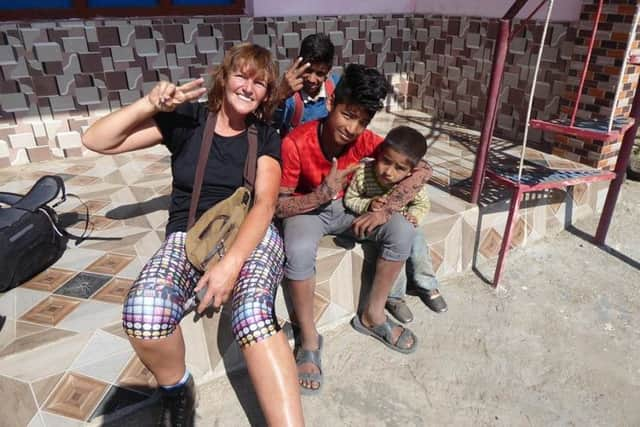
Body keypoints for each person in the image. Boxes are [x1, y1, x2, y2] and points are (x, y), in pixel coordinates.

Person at [82, 43, 304, 427]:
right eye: (241, 76)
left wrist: (230, 266)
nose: (248, 88)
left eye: (260, 83)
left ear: (268, 93)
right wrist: (149, 104)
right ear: (224, 77)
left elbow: (265, 205)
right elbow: (97, 140)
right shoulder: (188, 120)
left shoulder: (266, 135)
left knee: (252, 314)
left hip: (249, 235)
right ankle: (177, 388)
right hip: (191, 236)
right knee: (144, 311)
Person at [277, 64, 432, 394]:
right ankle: (308, 338)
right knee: (299, 250)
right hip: (309, 211)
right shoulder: (296, 143)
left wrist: (386, 210)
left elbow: (422, 169)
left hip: (352, 209)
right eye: (348, 114)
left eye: (362, 121)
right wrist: (320, 194)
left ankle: (372, 316)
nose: (352, 128)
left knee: (403, 230)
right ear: (332, 102)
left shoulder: (365, 141)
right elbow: (279, 205)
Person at [343, 126, 443, 323]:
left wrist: (414, 215)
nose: (389, 172)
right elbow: (350, 198)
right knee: (395, 245)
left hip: (402, 223)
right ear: (378, 154)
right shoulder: (364, 173)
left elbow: (422, 203)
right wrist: (367, 204)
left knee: (416, 239)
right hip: (377, 228)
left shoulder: (410, 183)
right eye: (385, 162)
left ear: (410, 171)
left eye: (399, 168)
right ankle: (395, 297)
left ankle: (426, 284)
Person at [272, 33, 340, 135]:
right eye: (308, 70)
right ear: (298, 63)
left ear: (328, 71)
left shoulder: (336, 86)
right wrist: (279, 97)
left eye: (320, 73)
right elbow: (271, 125)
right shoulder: (289, 96)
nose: (312, 79)